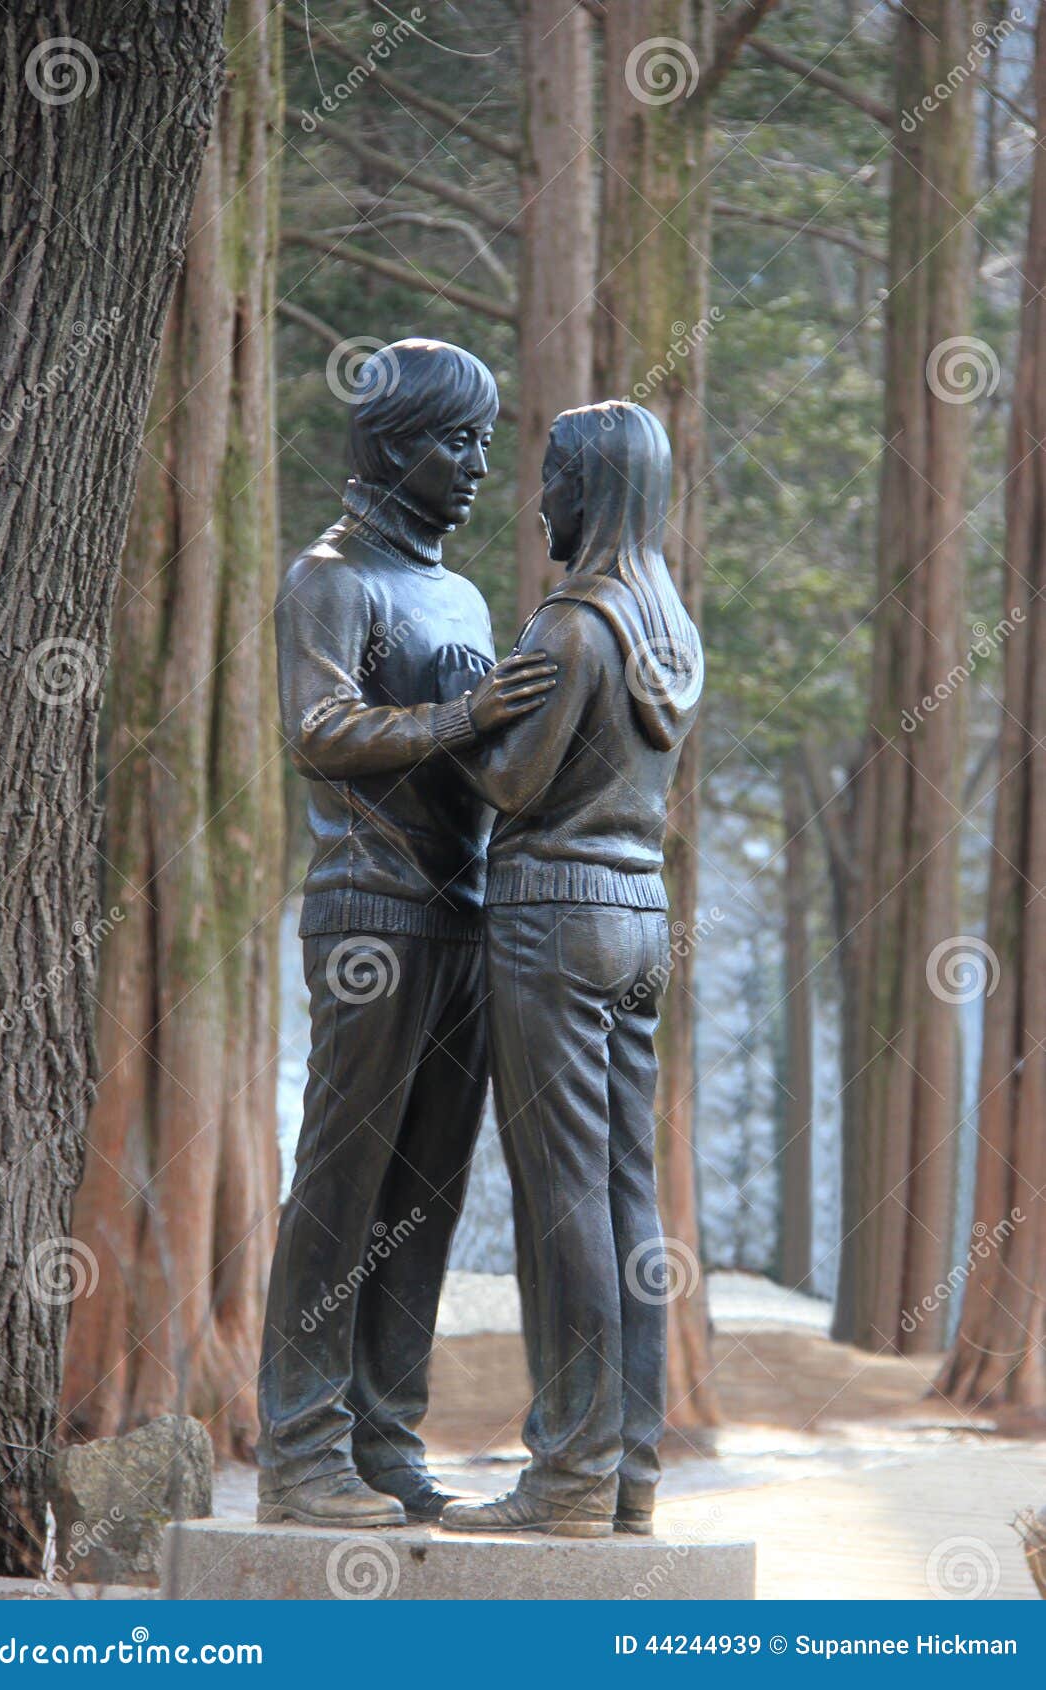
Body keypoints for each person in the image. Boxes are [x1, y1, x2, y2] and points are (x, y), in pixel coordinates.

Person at [258, 339, 554, 1528]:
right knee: (341, 1180)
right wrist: (465, 711)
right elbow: (319, 728)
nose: (477, 464)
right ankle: (298, 1447)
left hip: (465, 916)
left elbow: (484, 753)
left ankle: (384, 1433)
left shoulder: (463, 593)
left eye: (486, 440)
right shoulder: (329, 578)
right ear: (387, 444)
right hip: (369, 916)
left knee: (425, 1190)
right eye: (453, 439)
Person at [440, 401, 703, 1539]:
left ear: (592, 488)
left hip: (551, 914)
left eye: (553, 476)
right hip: (642, 915)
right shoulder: (670, 626)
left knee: (562, 1201)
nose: (538, 496)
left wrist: (458, 710)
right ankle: (630, 1471)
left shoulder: (571, 623)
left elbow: (509, 782)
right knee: (626, 1190)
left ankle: (565, 1474)